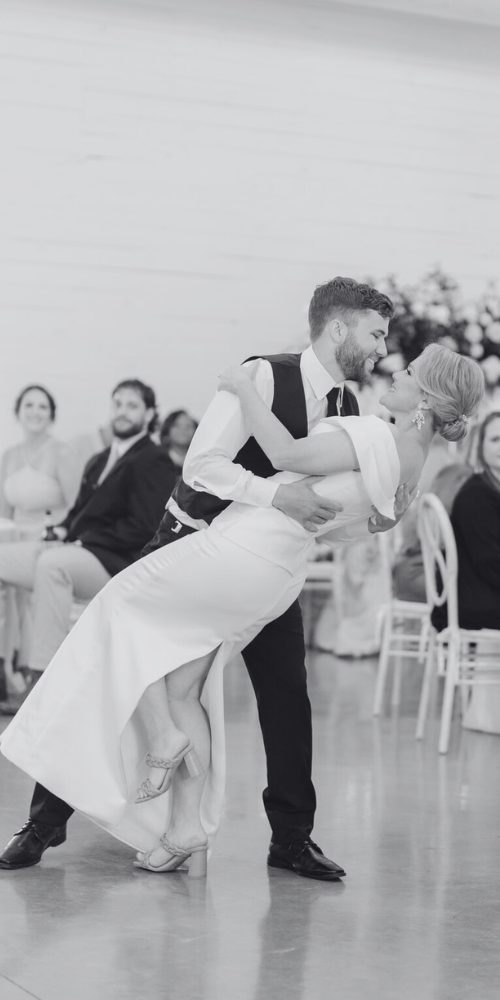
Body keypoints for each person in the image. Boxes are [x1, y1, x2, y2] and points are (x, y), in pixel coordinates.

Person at [0, 347, 483, 874]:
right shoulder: (412, 463)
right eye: (379, 335)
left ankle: (205, 772)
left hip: (243, 551)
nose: (388, 356)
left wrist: (240, 386)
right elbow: (352, 525)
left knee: (116, 611)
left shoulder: (366, 426)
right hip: (276, 569)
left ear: (427, 400)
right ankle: (183, 827)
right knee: (184, 687)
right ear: (340, 327)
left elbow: (288, 454)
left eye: (407, 369)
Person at [0, 379, 175, 716]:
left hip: (117, 562)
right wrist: (61, 531)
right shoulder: (98, 459)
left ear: (150, 413)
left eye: (132, 405)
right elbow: (78, 514)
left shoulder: (153, 460)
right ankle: (6, 670)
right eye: (118, 404)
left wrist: (81, 541)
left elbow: (144, 527)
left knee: (54, 566)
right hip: (76, 548)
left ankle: (42, 684)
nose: (122, 412)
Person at [0, 386, 82, 714]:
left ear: (51, 414)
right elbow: (4, 512)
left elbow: (77, 507)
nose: (35, 411)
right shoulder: (8, 455)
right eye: (29, 405)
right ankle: (6, 675)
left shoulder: (62, 453)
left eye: (42, 406)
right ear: (18, 411)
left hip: (48, 542)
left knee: (35, 607)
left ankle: (35, 679)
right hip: (11, 540)